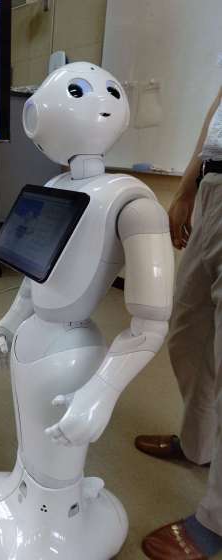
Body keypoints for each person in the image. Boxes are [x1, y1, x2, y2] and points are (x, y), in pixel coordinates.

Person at [136, 87, 222, 559]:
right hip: (213, 186)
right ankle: (197, 445)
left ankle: (216, 522)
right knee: (188, 335)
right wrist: (188, 187)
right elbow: (216, 114)